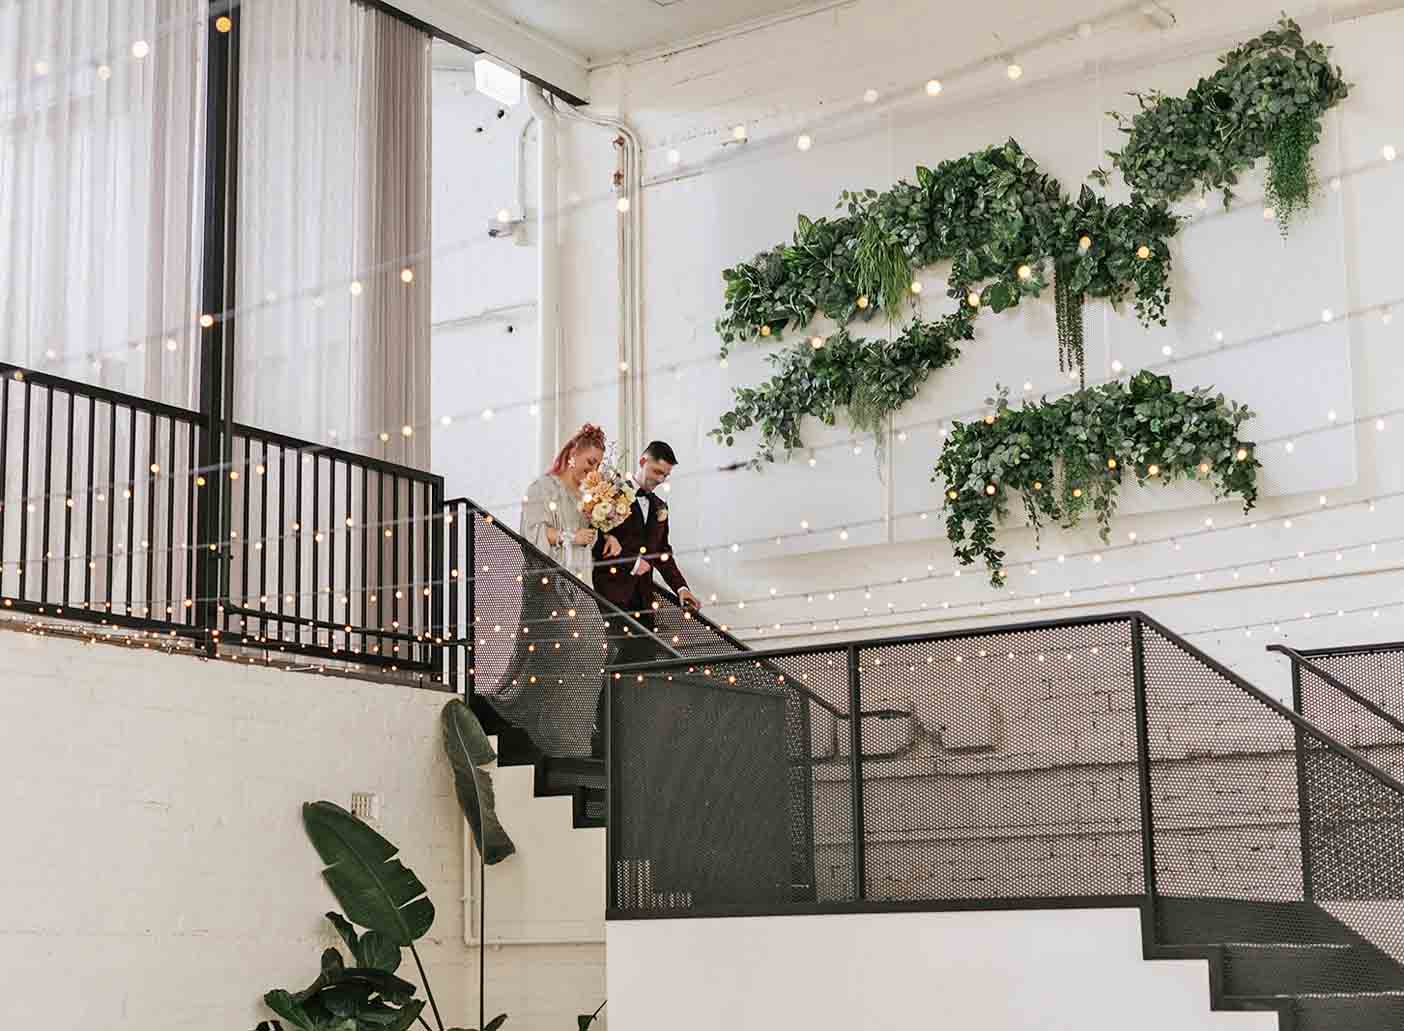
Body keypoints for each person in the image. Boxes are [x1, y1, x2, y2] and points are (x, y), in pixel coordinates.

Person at [484, 424, 624, 758]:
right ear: (572, 454)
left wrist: (608, 534)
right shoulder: (543, 488)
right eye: (589, 462)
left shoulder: (587, 498)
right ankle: (552, 733)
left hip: (582, 583)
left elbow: (592, 529)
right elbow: (532, 533)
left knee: (595, 646)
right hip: (551, 584)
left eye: (597, 465)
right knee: (561, 652)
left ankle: (575, 732)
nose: (593, 470)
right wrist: (568, 537)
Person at [589, 440, 701, 754]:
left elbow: (663, 553)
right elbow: (597, 541)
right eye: (656, 471)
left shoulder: (660, 507)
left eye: (665, 475)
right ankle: (602, 726)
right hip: (611, 594)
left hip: (642, 598)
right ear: (642, 461)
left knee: (644, 660)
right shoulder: (611, 492)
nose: (659, 479)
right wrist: (629, 562)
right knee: (622, 653)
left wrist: (682, 588)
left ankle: (625, 729)